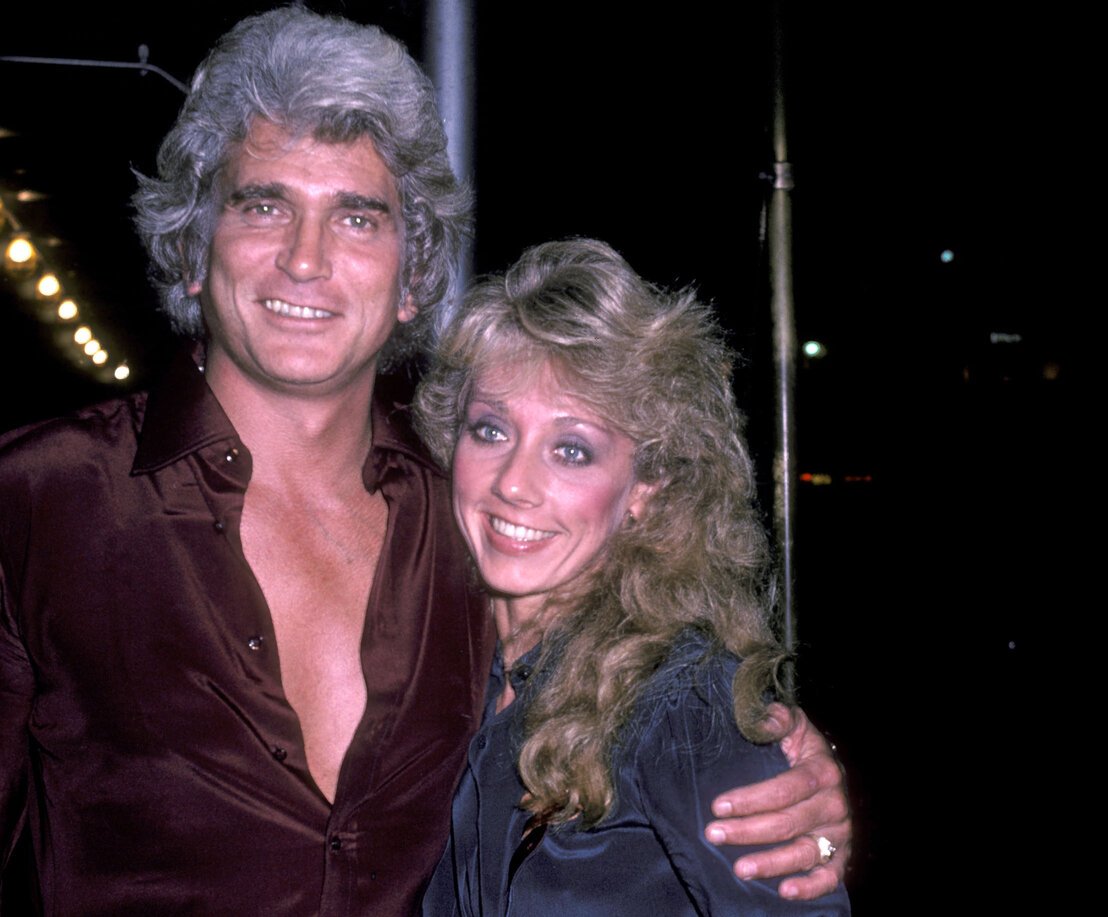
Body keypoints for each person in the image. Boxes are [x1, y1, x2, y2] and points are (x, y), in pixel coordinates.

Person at [0, 7, 849, 915]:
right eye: (263, 203)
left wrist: (787, 780)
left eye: (358, 217)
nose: (305, 258)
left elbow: (650, 690)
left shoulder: (468, 523)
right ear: (195, 248)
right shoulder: (36, 501)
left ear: (412, 280)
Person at [414, 238, 851, 915]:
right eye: (492, 431)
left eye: (571, 448)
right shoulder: (444, 664)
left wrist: (820, 836)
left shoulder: (685, 707)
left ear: (647, 483)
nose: (513, 484)